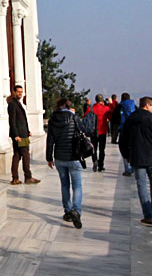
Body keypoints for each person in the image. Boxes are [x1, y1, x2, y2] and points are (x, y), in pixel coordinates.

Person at [119, 96, 152, 225]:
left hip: (137, 158)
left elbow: (123, 139)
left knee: (141, 186)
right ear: (147, 105)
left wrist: (126, 155)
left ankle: (147, 215)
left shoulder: (131, 119)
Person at [45, 98, 83, 229]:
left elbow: (50, 140)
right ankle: (76, 211)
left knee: (65, 185)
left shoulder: (52, 120)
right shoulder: (74, 118)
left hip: (60, 157)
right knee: (77, 186)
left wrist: (49, 157)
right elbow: (84, 130)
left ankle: (67, 211)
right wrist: (74, 115)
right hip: (74, 156)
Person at [7, 85, 40, 185]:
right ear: (14, 92)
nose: (20, 93)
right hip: (20, 136)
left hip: (23, 133)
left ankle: (15, 178)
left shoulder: (17, 103)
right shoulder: (13, 104)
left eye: (21, 92)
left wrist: (28, 131)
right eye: (18, 92)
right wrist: (16, 135)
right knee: (25, 155)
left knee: (17, 155)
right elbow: (12, 121)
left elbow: (22, 121)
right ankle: (28, 177)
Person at [91, 94, 112, 172]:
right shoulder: (106, 108)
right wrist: (110, 103)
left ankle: (95, 161)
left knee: (94, 148)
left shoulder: (91, 108)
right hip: (103, 131)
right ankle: (101, 165)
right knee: (102, 149)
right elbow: (111, 116)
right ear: (102, 100)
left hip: (93, 132)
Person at [118, 92, 136, 176]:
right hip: (133, 129)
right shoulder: (134, 106)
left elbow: (114, 116)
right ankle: (133, 168)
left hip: (123, 129)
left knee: (124, 149)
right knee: (133, 148)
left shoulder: (120, 106)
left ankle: (127, 170)